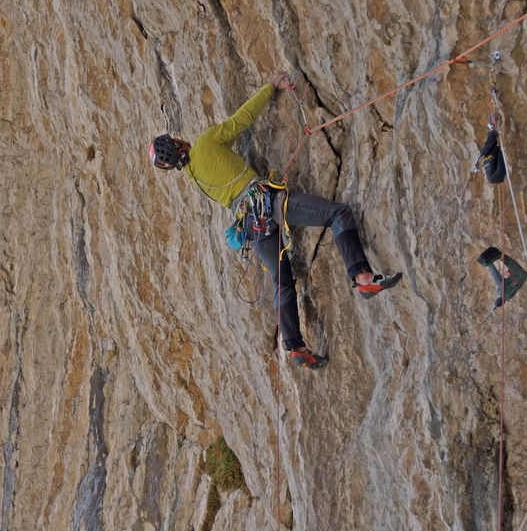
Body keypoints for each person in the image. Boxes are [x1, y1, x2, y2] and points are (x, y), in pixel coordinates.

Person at [148, 74, 402, 369]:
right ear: (177, 142)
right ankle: (363, 279)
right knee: (337, 213)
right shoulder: (205, 144)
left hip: (251, 226)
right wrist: (271, 87)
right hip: (269, 204)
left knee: (281, 281)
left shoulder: (193, 178)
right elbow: (243, 118)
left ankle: (295, 346)